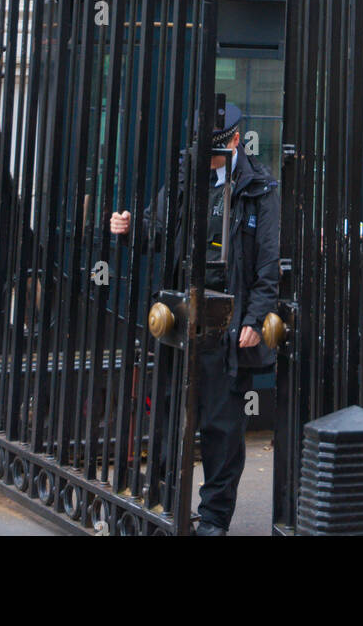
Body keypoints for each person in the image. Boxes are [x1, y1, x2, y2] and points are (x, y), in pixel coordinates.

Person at [111, 102, 279, 536]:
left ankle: (214, 520)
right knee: (169, 418)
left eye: (214, 154)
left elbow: (268, 268)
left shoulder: (260, 188)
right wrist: (130, 228)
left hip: (229, 321)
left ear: (237, 141)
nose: (206, 161)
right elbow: (158, 230)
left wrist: (254, 318)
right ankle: (166, 507)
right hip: (182, 321)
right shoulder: (187, 178)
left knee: (222, 429)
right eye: (202, 153)